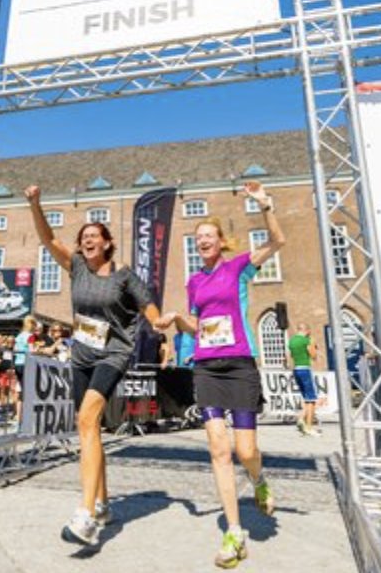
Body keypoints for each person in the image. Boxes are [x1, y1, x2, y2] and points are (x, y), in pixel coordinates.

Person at [25, 184, 172, 547]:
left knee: (87, 419)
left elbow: (148, 307)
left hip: (113, 354)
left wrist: (159, 322)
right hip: (82, 355)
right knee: (89, 427)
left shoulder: (124, 276)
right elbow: (48, 239)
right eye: (84, 236)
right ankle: (104, 503)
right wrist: (35, 204)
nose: (88, 239)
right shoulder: (76, 267)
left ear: (107, 243)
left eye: (94, 235)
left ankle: (86, 515)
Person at [158, 180, 285, 569]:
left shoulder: (239, 267)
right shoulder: (194, 281)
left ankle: (259, 480)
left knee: (245, 451)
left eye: (208, 235)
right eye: (198, 237)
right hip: (207, 368)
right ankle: (234, 532)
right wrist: (177, 318)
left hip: (240, 365)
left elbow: (277, 241)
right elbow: (199, 325)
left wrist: (264, 205)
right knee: (218, 449)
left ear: (220, 241)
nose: (202, 240)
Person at [286, 321, 320, 436]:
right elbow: (313, 356)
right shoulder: (306, 340)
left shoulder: (292, 341)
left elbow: (289, 356)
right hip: (305, 369)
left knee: (305, 397)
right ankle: (309, 427)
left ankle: (301, 419)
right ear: (307, 330)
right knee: (311, 400)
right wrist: (313, 345)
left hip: (296, 369)